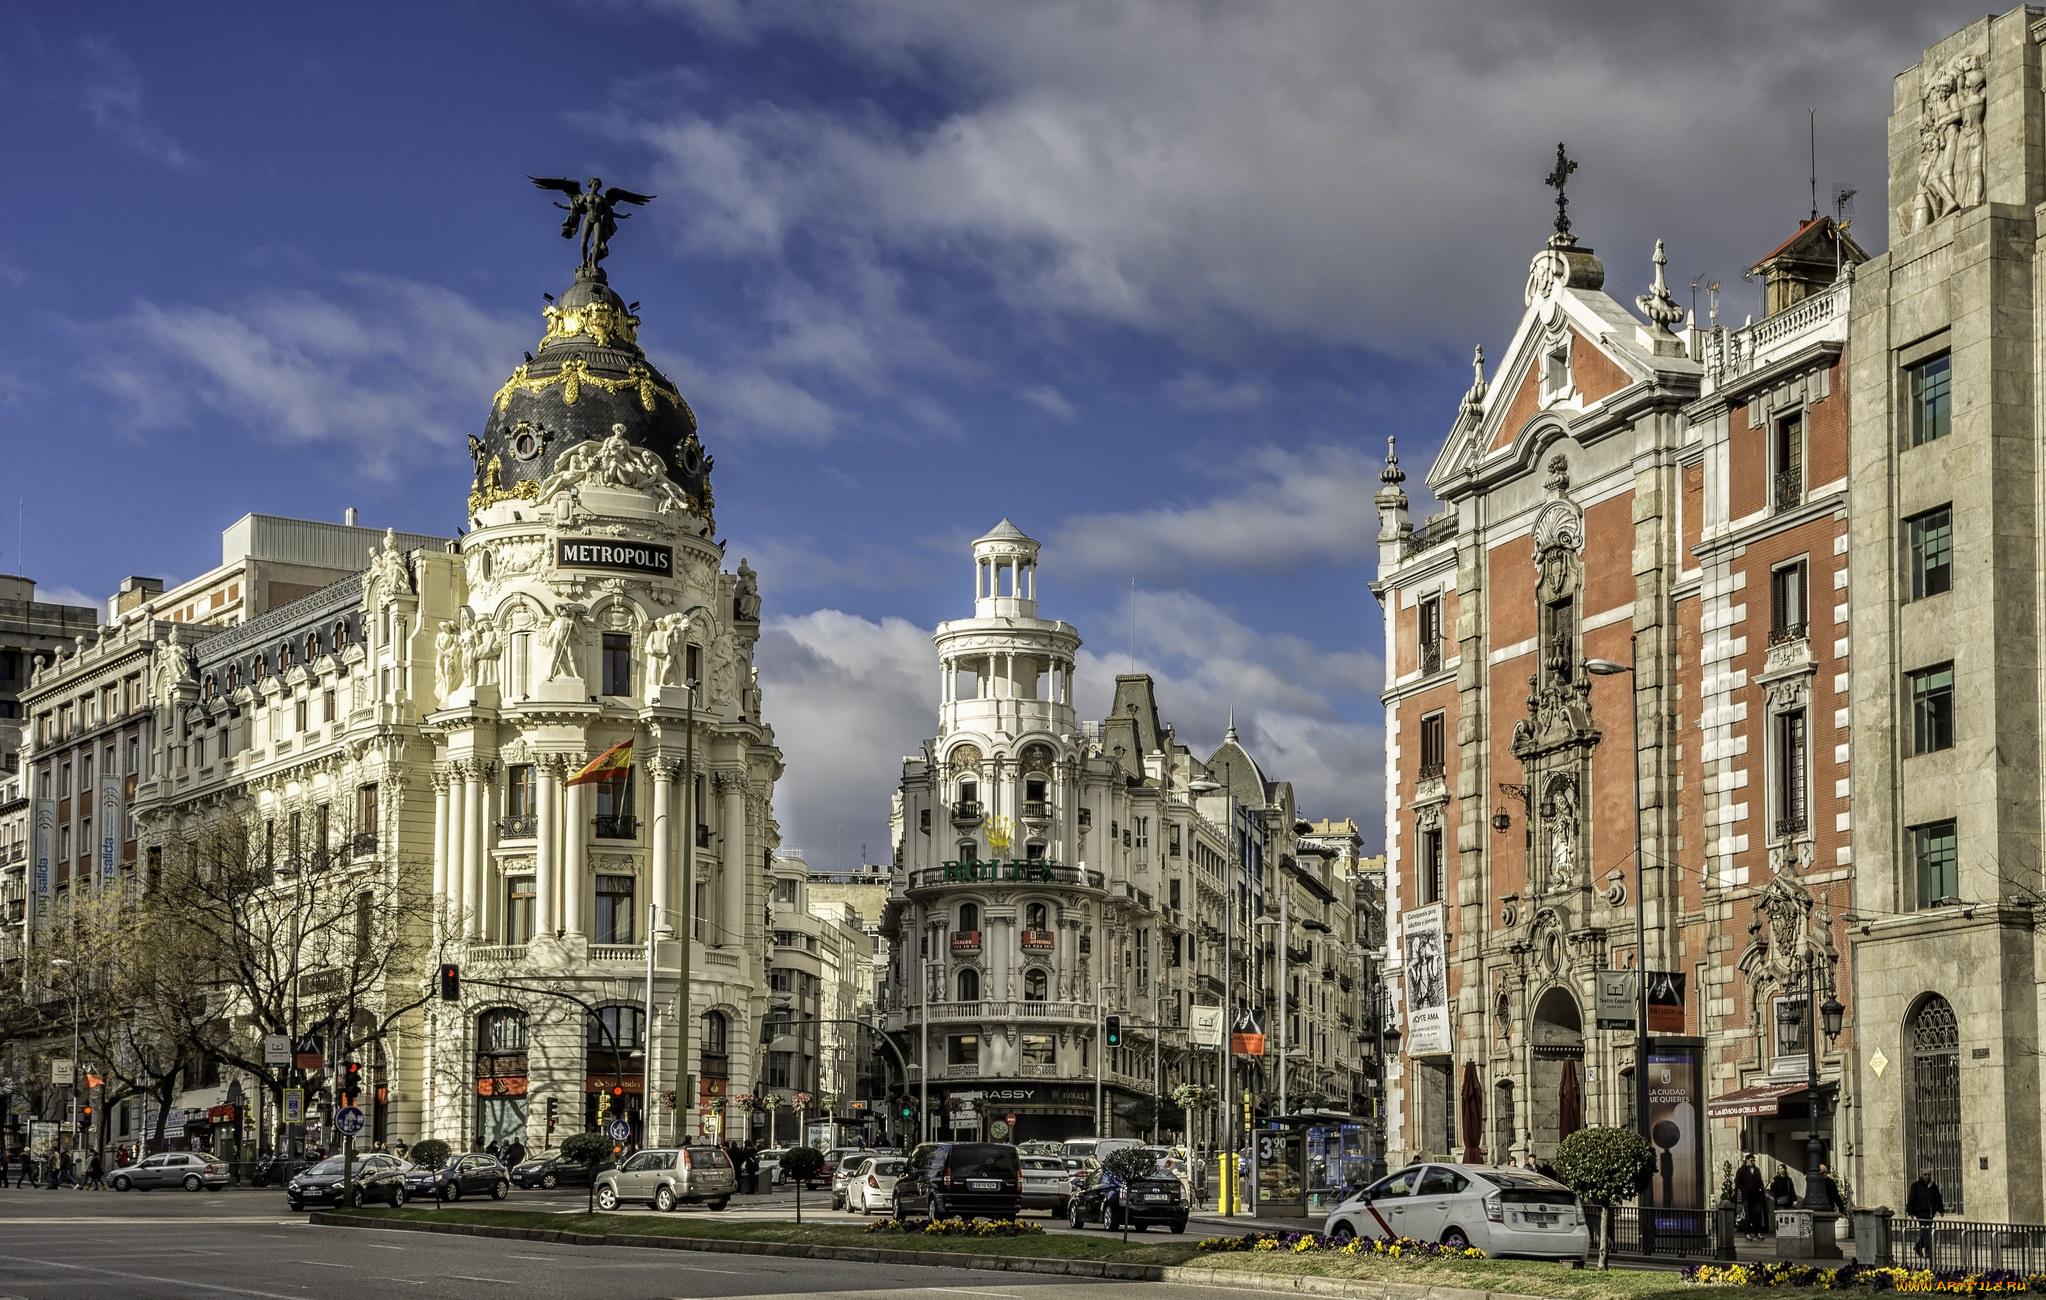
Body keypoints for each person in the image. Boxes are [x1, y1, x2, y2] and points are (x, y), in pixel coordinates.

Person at [1907, 1167, 1945, 1261]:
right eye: (1925, 1174)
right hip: (1920, 1212)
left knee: (1927, 1231)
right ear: (1921, 1175)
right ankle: (1928, 1251)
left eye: (1929, 1175)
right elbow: (1911, 1199)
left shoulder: (1932, 1186)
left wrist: (1941, 1209)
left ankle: (1918, 1247)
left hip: (1930, 1212)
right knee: (1926, 1231)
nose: (1927, 1176)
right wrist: (1910, 1212)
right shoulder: (1915, 1186)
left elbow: (1938, 1198)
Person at [1735, 1154, 1768, 1240]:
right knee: (1748, 1215)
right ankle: (1747, 1233)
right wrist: (1744, 1189)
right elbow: (1737, 1183)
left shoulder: (1757, 1170)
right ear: (1746, 1160)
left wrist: (1761, 1189)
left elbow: (1760, 1181)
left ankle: (1757, 1233)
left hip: (1756, 1196)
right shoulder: (1741, 1170)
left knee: (1757, 1214)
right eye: (1751, 1161)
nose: (1753, 1162)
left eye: (1754, 1161)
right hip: (1747, 1196)